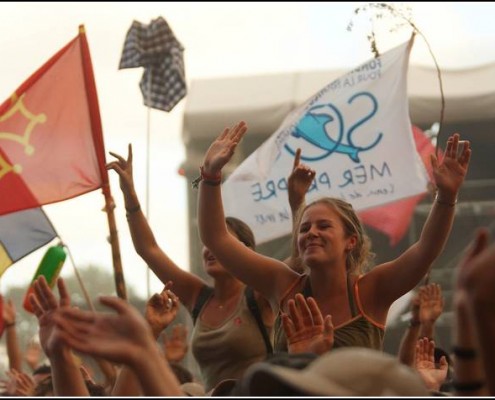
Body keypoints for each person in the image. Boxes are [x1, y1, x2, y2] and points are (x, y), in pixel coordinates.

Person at [197, 120, 471, 352]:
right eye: (304, 229)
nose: (311, 233)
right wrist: (210, 175)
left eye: (324, 226)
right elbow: (217, 239)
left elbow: (426, 250)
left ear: (350, 241)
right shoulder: (281, 285)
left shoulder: (372, 291)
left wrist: (447, 196)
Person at [107, 145, 274, 391]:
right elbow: (149, 249)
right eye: (207, 243)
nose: (209, 249)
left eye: (221, 242)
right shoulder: (199, 296)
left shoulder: (260, 295)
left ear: (244, 251)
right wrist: (130, 197)